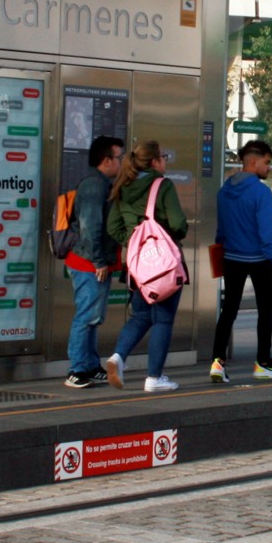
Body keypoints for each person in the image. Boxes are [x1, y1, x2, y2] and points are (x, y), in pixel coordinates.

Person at [103, 140, 188, 393]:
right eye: (163, 156)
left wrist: (135, 243)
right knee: (163, 320)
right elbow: (178, 223)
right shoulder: (163, 185)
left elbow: (112, 227)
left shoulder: (123, 187)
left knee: (140, 315)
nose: (165, 160)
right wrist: (164, 241)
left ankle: (117, 357)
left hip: (137, 268)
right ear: (154, 161)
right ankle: (154, 377)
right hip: (163, 267)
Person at [212, 139, 272, 382]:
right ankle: (263, 363)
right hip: (258, 260)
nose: (269, 168)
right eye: (266, 163)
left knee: (229, 310)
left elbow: (221, 229)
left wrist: (221, 253)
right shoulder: (261, 193)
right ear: (253, 162)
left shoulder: (224, 190)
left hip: (231, 258)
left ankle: (217, 362)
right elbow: (266, 234)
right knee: (265, 311)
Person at [62, 136, 125, 389]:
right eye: (119, 158)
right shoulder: (94, 186)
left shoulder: (101, 184)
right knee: (86, 316)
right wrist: (99, 261)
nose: (122, 163)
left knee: (93, 318)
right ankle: (76, 369)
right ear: (107, 160)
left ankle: (89, 365)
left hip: (95, 262)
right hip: (89, 263)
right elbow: (90, 227)